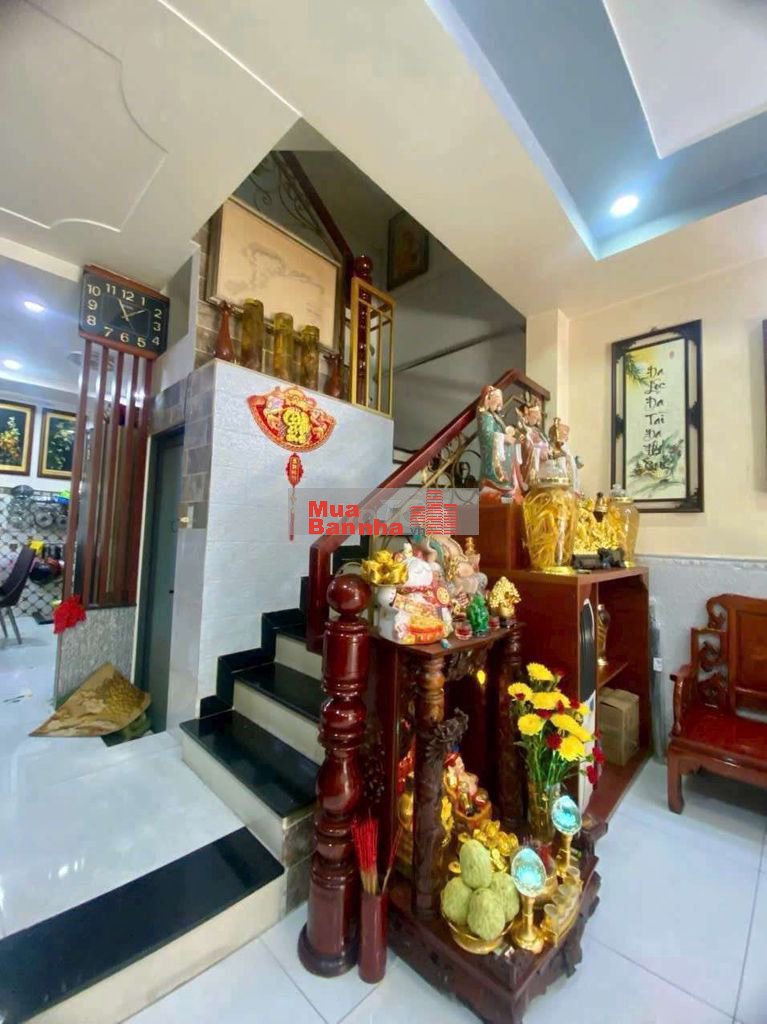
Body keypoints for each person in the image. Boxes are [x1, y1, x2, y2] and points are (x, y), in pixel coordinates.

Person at [476, 385, 521, 501]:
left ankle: (505, 486)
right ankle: (495, 481)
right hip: (493, 457)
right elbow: (487, 435)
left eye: (500, 400)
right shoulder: (486, 416)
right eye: (496, 399)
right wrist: (504, 438)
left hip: (503, 456)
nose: (499, 403)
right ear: (488, 399)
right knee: (497, 477)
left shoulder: (495, 416)